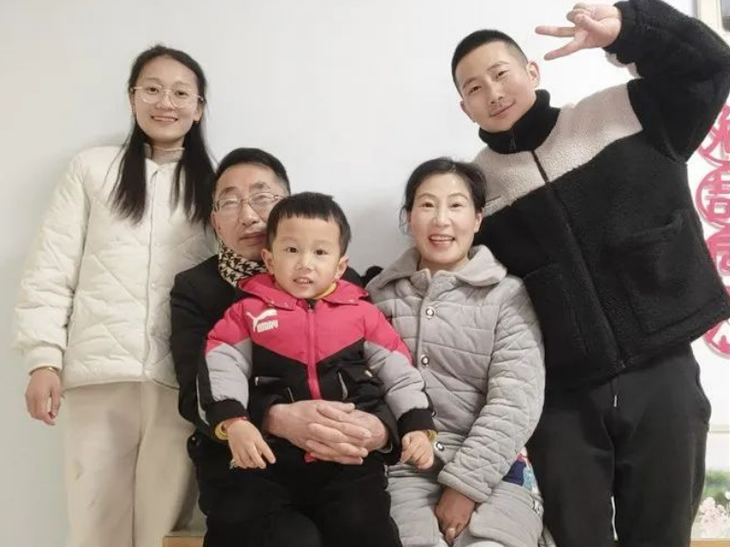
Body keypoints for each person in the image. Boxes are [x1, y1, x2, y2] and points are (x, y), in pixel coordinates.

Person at [450, 2, 730, 546]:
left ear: (532, 71)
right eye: (475, 88)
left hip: (663, 370)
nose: (493, 92)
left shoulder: (623, 111)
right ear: (465, 107)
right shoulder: (474, 189)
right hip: (560, 396)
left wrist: (631, 28)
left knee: (663, 534)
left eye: (501, 73)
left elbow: (710, 65)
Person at [13, 45, 216, 547]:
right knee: (94, 524)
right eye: (152, 89)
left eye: (180, 93)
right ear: (131, 98)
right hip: (97, 378)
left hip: (178, 381)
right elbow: (51, 267)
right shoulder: (92, 170)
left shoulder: (215, 183)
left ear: (198, 107)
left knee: (165, 529)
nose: (165, 102)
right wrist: (43, 359)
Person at [170, 149, 405, 547]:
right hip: (245, 459)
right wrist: (275, 417)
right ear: (215, 221)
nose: (249, 215)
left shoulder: (339, 280)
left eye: (262, 197)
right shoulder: (196, 288)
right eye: (230, 202)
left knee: (363, 526)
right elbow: (194, 391)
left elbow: (379, 364)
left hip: (338, 458)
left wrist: (381, 429)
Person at [367, 158, 545, 547]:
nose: (441, 220)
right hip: (404, 470)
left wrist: (465, 485)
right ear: (409, 217)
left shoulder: (508, 296)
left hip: (497, 469)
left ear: (478, 218)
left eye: (456, 205)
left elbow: (517, 401)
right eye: (427, 205)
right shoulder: (377, 297)